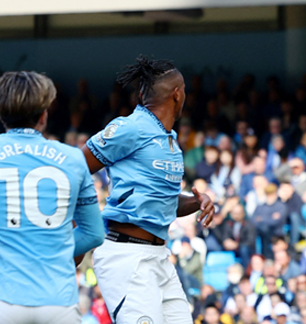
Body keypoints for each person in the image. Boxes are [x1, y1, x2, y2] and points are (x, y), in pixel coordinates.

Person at [0, 71, 105, 323]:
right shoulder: (73, 158)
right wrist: (52, 252)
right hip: (58, 300)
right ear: (43, 115)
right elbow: (93, 233)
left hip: (2, 302)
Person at [82, 56, 219, 324]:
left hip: (158, 257)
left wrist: (196, 202)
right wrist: (81, 227)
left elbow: (164, 202)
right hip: (127, 257)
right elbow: (75, 169)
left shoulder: (169, 138)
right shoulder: (129, 127)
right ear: (178, 95)